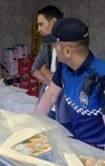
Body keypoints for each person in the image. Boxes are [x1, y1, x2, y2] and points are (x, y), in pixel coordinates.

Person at [36, 17, 105, 149]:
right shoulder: (64, 67)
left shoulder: (101, 77)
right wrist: (33, 125)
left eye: (56, 44)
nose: (54, 49)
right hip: (78, 143)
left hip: (99, 153)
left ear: (67, 51)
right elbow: (50, 96)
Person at [31, 5, 72, 131]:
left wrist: (45, 70)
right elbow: (34, 69)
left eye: (41, 24)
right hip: (47, 101)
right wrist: (54, 84)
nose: (38, 29)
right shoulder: (46, 43)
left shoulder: (71, 45)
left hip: (64, 108)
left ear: (53, 22)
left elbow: (66, 82)